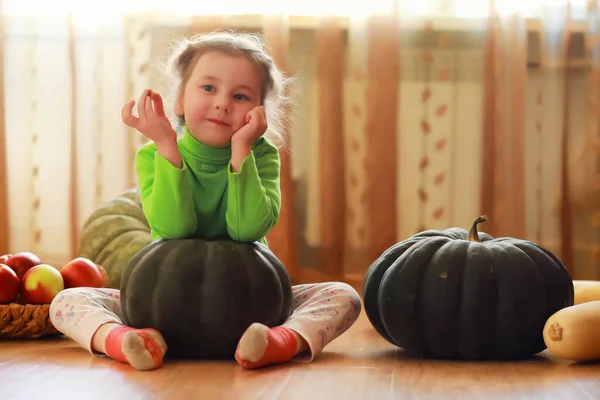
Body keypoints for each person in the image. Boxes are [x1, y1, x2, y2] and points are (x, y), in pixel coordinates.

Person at [49, 30, 362, 372]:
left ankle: (276, 343)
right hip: (166, 305)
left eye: (240, 96)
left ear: (258, 113)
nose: (223, 102)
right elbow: (174, 229)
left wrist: (242, 150)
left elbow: (246, 230)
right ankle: (126, 342)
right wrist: (168, 146)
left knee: (342, 295)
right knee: (69, 300)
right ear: (180, 99)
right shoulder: (155, 153)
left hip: (249, 305)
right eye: (209, 88)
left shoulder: (263, 156)